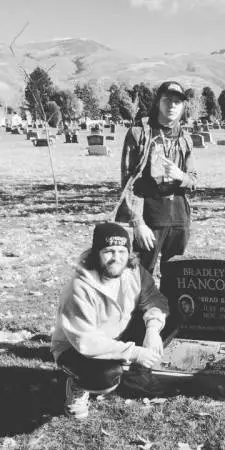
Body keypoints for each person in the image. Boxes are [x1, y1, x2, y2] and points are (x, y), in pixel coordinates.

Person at [51, 222, 170, 419]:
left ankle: (134, 377)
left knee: (166, 318)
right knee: (106, 376)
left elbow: (154, 299)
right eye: (108, 251)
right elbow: (86, 342)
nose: (116, 258)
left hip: (117, 335)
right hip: (75, 348)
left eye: (122, 251)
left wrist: (152, 330)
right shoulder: (79, 287)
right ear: (96, 253)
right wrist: (135, 352)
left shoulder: (134, 271)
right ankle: (78, 386)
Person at [117, 81, 200, 276]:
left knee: (176, 277)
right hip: (150, 216)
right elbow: (129, 182)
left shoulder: (185, 138)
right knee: (141, 275)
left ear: (183, 106)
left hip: (179, 217)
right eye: (167, 100)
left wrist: (180, 176)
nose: (172, 105)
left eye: (177, 102)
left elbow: (193, 180)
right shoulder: (139, 133)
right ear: (158, 102)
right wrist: (138, 223)